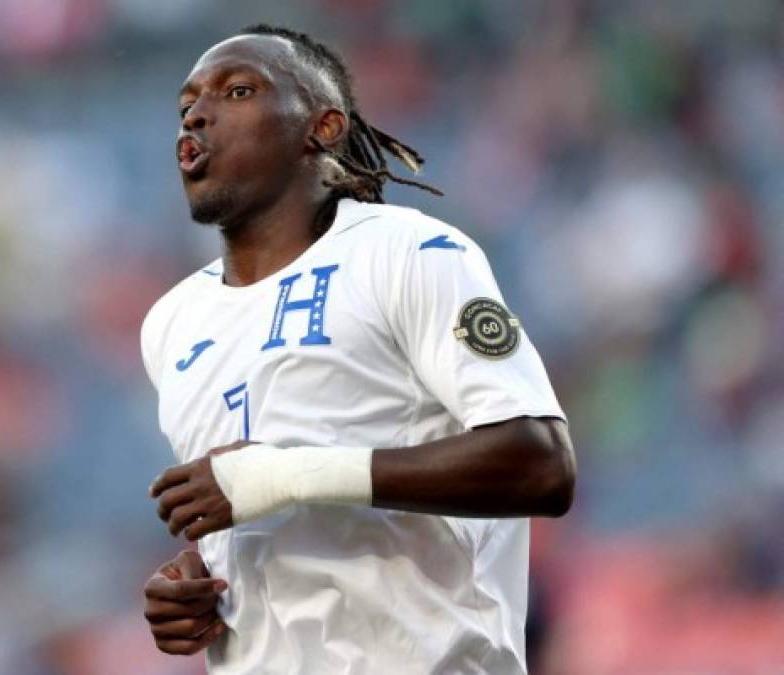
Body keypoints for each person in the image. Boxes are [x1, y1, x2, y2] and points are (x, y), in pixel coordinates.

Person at [139, 24, 576, 675]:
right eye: (187, 105)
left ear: (322, 128)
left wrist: (287, 475)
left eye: (236, 91)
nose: (198, 113)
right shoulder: (169, 324)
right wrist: (194, 580)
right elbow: (254, 512)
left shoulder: (409, 252)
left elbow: (540, 464)